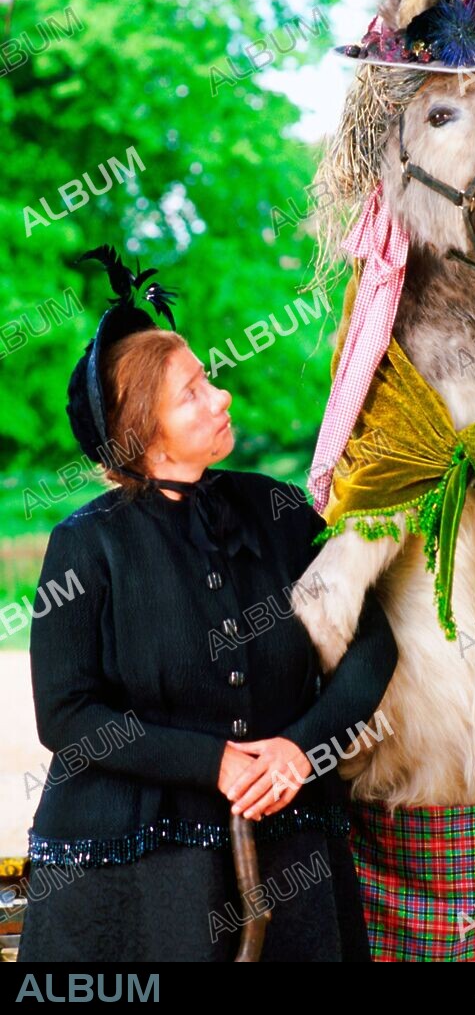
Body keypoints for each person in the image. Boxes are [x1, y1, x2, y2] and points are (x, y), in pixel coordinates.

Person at [17, 245, 398, 963]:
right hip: (136, 866)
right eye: (191, 391)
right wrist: (214, 762)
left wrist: (299, 747)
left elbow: (371, 642)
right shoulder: (85, 547)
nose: (220, 395)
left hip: (291, 847)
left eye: (209, 379)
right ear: (141, 431)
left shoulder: (279, 510)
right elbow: (66, 714)